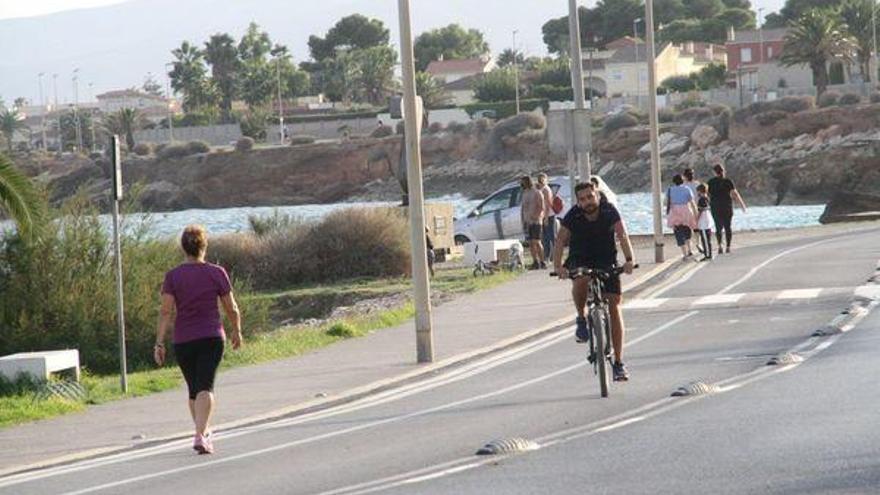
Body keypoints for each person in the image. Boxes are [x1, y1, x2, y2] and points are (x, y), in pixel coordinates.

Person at [154, 225, 243, 455]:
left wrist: (159, 342)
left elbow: (165, 312)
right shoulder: (216, 272)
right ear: (204, 246)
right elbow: (231, 307)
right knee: (205, 386)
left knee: (194, 390)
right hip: (211, 336)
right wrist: (237, 330)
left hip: (183, 340)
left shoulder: (173, 276)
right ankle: (201, 434)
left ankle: (203, 433)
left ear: (183, 248)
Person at [553, 182, 635, 382]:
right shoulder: (573, 216)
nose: (587, 202)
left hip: (606, 258)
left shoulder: (609, 211)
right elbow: (560, 241)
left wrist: (629, 260)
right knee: (581, 279)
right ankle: (581, 317)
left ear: (597, 195)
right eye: (582, 199)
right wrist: (558, 267)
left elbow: (622, 235)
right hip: (580, 257)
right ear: (578, 202)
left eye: (590, 197)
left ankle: (618, 363)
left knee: (615, 306)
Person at [707, 163, 747, 254]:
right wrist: (742, 205)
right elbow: (735, 194)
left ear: (714, 172)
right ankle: (728, 247)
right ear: (723, 171)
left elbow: (707, 195)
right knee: (727, 226)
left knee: (718, 227)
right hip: (727, 206)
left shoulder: (711, 182)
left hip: (715, 206)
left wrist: (708, 204)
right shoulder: (728, 181)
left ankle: (720, 246)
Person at [666, 174, 698, 260]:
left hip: (674, 211)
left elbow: (666, 202)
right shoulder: (687, 189)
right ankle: (690, 250)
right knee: (687, 230)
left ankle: (684, 254)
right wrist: (696, 213)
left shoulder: (670, 190)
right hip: (686, 210)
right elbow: (692, 202)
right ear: (682, 181)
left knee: (678, 232)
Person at [519, 175, 546, 269]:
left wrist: (536, 216)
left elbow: (541, 206)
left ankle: (542, 261)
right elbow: (523, 208)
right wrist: (523, 220)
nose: (521, 184)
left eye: (523, 182)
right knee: (530, 243)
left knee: (536, 241)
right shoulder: (525, 193)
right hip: (527, 221)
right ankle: (535, 261)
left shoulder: (536, 192)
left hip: (536, 221)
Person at [536, 173, 555, 262]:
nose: (541, 182)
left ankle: (552, 255)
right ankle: (547, 255)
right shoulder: (542, 189)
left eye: (542, 180)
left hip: (549, 216)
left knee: (549, 236)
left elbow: (547, 205)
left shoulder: (546, 190)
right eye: (540, 180)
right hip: (544, 216)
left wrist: (546, 218)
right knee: (545, 237)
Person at [695, 183, 713, 261]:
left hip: (703, 221)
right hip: (708, 219)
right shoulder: (707, 198)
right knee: (707, 238)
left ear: (700, 191)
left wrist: (696, 220)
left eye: (698, 191)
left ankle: (708, 255)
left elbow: (700, 211)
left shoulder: (701, 200)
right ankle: (708, 253)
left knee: (705, 239)